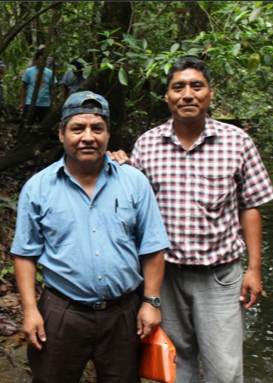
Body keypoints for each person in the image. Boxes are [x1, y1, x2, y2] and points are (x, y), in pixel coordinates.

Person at [111, 57, 273, 382]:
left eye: (196, 86)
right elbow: (135, 207)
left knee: (225, 369)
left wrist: (254, 270)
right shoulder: (147, 144)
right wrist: (120, 166)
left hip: (220, 278)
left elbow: (251, 206)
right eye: (178, 87)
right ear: (167, 96)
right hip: (165, 277)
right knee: (173, 364)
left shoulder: (237, 142)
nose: (188, 94)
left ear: (210, 94)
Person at [11, 91, 170, 383]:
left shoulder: (134, 182)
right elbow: (25, 253)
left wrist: (151, 302)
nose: (88, 137)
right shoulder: (38, 188)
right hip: (61, 312)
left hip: (123, 313)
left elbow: (152, 245)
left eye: (97, 128)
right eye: (77, 128)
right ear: (61, 134)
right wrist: (30, 310)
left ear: (108, 135)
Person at [19, 51, 57, 125]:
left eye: (44, 60)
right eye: (40, 59)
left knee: (44, 125)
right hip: (30, 102)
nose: (43, 62)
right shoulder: (29, 71)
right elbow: (23, 87)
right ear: (36, 60)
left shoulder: (50, 73)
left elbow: (53, 89)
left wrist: (55, 104)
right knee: (26, 124)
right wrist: (22, 102)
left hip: (45, 103)